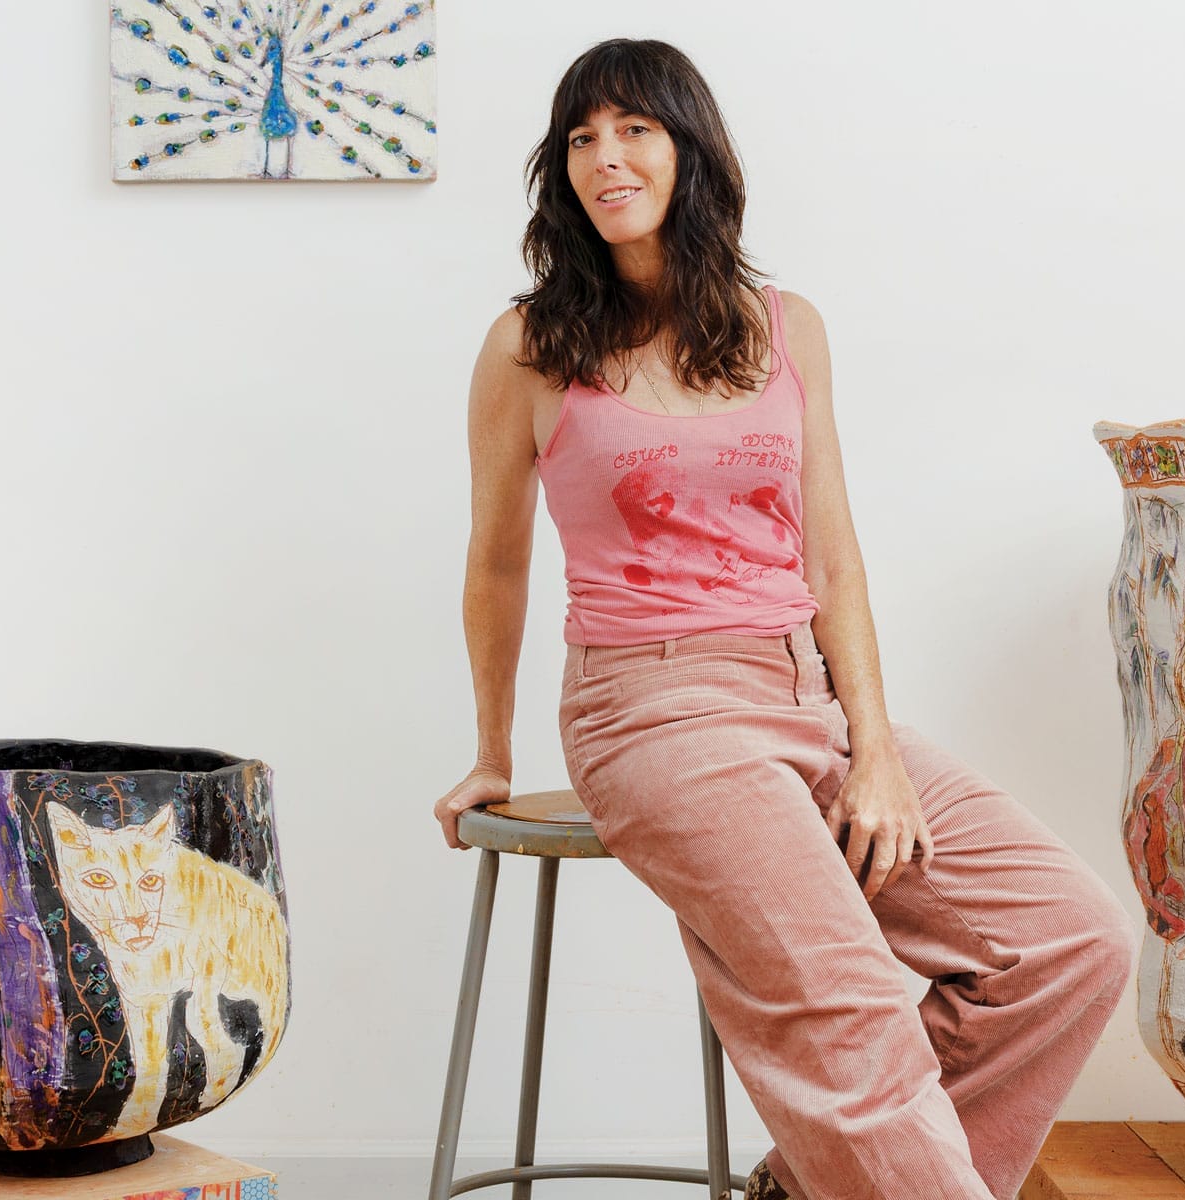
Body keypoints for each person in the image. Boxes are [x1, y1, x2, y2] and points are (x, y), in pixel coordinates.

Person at [432, 38, 1137, 1200]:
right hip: (647, 709)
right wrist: (493, 754)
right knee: (853, 1010)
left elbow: (836, 556)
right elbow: (496, 566)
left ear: (692, 149)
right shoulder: (528, 347)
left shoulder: (784, 326)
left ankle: (809, 1187)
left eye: (633, 130)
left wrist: (877, 752)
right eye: (580, 139)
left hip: (804, 689)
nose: (604, 159)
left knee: (1071, 940)